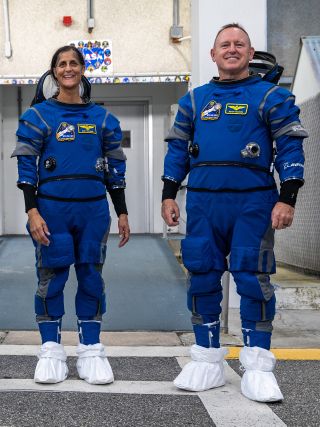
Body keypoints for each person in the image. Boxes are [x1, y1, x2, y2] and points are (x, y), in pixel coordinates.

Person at [161, 23, 308, 402]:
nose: (231, 49)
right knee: (202, 277)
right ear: (212, 55)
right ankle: (207, 359)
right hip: (204, 203)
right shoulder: (194, 101)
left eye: (238, 44)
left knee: (253, 279)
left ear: (249, 51)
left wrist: (287, 197)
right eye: (224, 44)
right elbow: (177, 151)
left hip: (253, 203)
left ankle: (257, 366)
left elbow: (291, 149)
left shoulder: (272, 97)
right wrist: (168, 194)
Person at [11, 45, 130, 385]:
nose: (68, 68)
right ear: (53, 72)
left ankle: (90, 349)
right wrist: (31, 211)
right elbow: (25, 169)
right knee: (51, 279)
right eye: (61, 64)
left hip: (93, 211)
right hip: (51, 210)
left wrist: (121, 211)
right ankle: (50, 349)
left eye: (73, 63)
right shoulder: (37, 117)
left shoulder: (103, 119)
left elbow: (115, 171)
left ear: (82, 70)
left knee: (92, 277)